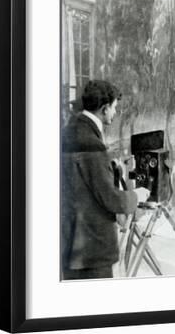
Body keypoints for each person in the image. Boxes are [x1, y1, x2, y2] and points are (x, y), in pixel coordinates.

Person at [61, 80, 150, 280]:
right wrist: (136, 195)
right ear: (104, 108)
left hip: (67, 243)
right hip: (91, 249)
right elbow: (111, 199)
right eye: (114, 108)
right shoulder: (92, 145)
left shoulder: (68, 133)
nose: (115, 113)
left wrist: (109, 166)